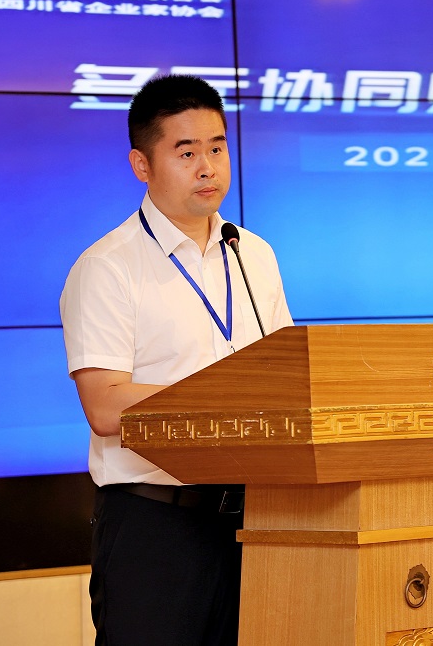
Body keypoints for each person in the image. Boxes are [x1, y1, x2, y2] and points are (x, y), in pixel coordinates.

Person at [60, 74, 293, 645]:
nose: (207, 167)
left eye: (217, 148)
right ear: (142, 164)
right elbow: (105, 406)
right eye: (186, 153)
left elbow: (285, 375)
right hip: (156, 525)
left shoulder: (253, 253)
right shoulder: (108, 267)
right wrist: (227, 395)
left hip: (260, 519)